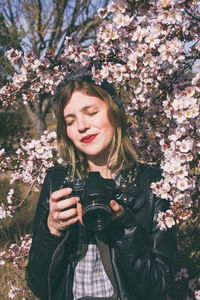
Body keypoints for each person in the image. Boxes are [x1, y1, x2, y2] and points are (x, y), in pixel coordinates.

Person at [25, 69, 176, 300]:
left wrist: (124, 226)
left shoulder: (154, 185)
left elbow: (157, 289)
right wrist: (52, 230)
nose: (82, 126)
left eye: (91, 112)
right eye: (70, 121)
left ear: (115, 114)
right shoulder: (58, 183)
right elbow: (39, 287)